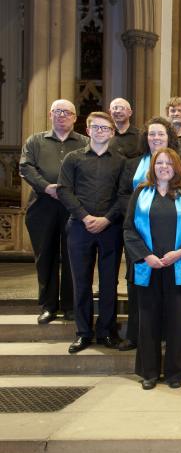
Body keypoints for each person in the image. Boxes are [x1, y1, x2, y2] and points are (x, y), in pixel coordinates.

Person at [123, 148, 181, 390]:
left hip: (176, 266)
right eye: (160, 163)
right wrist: (146, 256)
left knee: (176, 322)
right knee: (148, 320)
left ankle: (175, 372)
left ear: (177, 167)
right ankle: (149, 372)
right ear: (153, 167)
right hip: (149, 266)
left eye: (169, 163)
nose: (164, 166)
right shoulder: (140, 193)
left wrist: (180, 253)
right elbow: (128, 229)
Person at [57, 111, 125, 353]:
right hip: (79, 226)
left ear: (112, 132)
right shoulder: (73, 159)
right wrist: (85, 217)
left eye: (104, 128)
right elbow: (64, 190)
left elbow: (123, 195)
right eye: (95, 127)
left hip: (110, 228)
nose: (99, 131)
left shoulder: (120, 161)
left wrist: (106, 219)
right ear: (87, 130)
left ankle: (106, 331)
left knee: (109, 282)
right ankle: (83, 333)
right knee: (81, 282)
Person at [19, 99, 88, 325]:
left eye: (67, 112)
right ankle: (49, 305)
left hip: (73, 208)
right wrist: (46, 187)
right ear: (50, 115)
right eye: (57, 111)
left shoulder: (84, 142)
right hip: (42, 206)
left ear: (74, 118)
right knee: (45, 256)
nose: (61, 116)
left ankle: (70, 306)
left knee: (72, 257)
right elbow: (25, 167)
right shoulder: (36, 141)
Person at [117, 117, 179, 351]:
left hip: (169, 233)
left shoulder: (177, 163)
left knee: (168, 287)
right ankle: (135, 334)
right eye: (151, 134)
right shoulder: (133, 164)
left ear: (169, 137)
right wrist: (136, 215)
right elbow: (123, 193)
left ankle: (164, 334)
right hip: (138, 231)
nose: (155, 138)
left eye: (160, 134)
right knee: (138, 285)